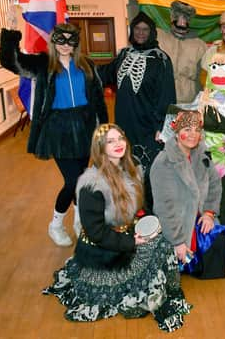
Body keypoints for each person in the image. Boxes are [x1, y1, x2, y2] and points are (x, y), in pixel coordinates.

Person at [42, 124, 191, 332]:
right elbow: (96, 233)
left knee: (164, 245)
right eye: (110, 141)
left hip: (127, 233)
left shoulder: (134, 168)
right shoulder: (90, 184)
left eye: (120, 138)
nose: (118, 144)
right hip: (102, 251)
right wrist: (132, 242)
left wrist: (149, 227)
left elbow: (144, 207)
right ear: (99, 148)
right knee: (134, 295)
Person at [0, 24, 108, 247]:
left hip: (85, 126)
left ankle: (79, 222)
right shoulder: (42, 63)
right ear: (53, 40)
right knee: (73, 180)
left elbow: (97, 96)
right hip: (58, 130)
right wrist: (10, 36)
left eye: (70, 40)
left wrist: (104, 128)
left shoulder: (86, 64)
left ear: (76, 43)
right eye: (61, 39)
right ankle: (56, 225)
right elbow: (11, 62)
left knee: (82, 177)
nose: (65, 45)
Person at [98, 12, 176, 213]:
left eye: (145, 30)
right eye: (137, 29)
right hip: (124, 124)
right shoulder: (124, 54)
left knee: (151, 174)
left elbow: (168, 97)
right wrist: (77, 65)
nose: (140, 33)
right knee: (126, 171)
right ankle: (129, 212)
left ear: (151, 33)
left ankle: (152, 218)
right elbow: (104, 74)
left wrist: (163, 128)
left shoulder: (161, 59)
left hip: (149, 126)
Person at [151, 110, 225, 279]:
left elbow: (215, 186)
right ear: (177, 134)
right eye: (187, 130)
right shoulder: (163, 163)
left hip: (197, 223)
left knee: (222, 245)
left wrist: (209, 213)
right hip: (175, 230)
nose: (193, 135)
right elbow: (164, 208)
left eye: (197, 130)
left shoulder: (202, 157)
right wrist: (177, 242)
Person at [156, 1, 208, 103]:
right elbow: (138, 30)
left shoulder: (200, 46)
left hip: (190, 102)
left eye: (185, 18)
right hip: (162, 101)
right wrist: (133, 0)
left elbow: (205, 78)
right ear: (172, 18)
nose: (181, 22)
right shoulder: (159, 38)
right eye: (178, 17)